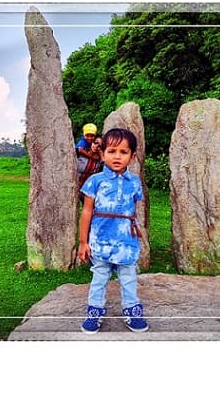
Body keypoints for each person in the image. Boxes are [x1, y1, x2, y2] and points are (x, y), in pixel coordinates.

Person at [78, 128, 148, 333]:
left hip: (126, 241)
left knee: (128, 276)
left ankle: (132, 311)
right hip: (100, 240)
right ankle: (95, 312)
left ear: (132, 156)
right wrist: (83, 242)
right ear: (102, 154)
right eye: (112, 151)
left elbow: (133, 213)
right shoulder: (95, 181)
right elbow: (86, 212)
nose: (117, 156)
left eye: (123, 152)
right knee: (99, 276)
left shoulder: (134, 182)